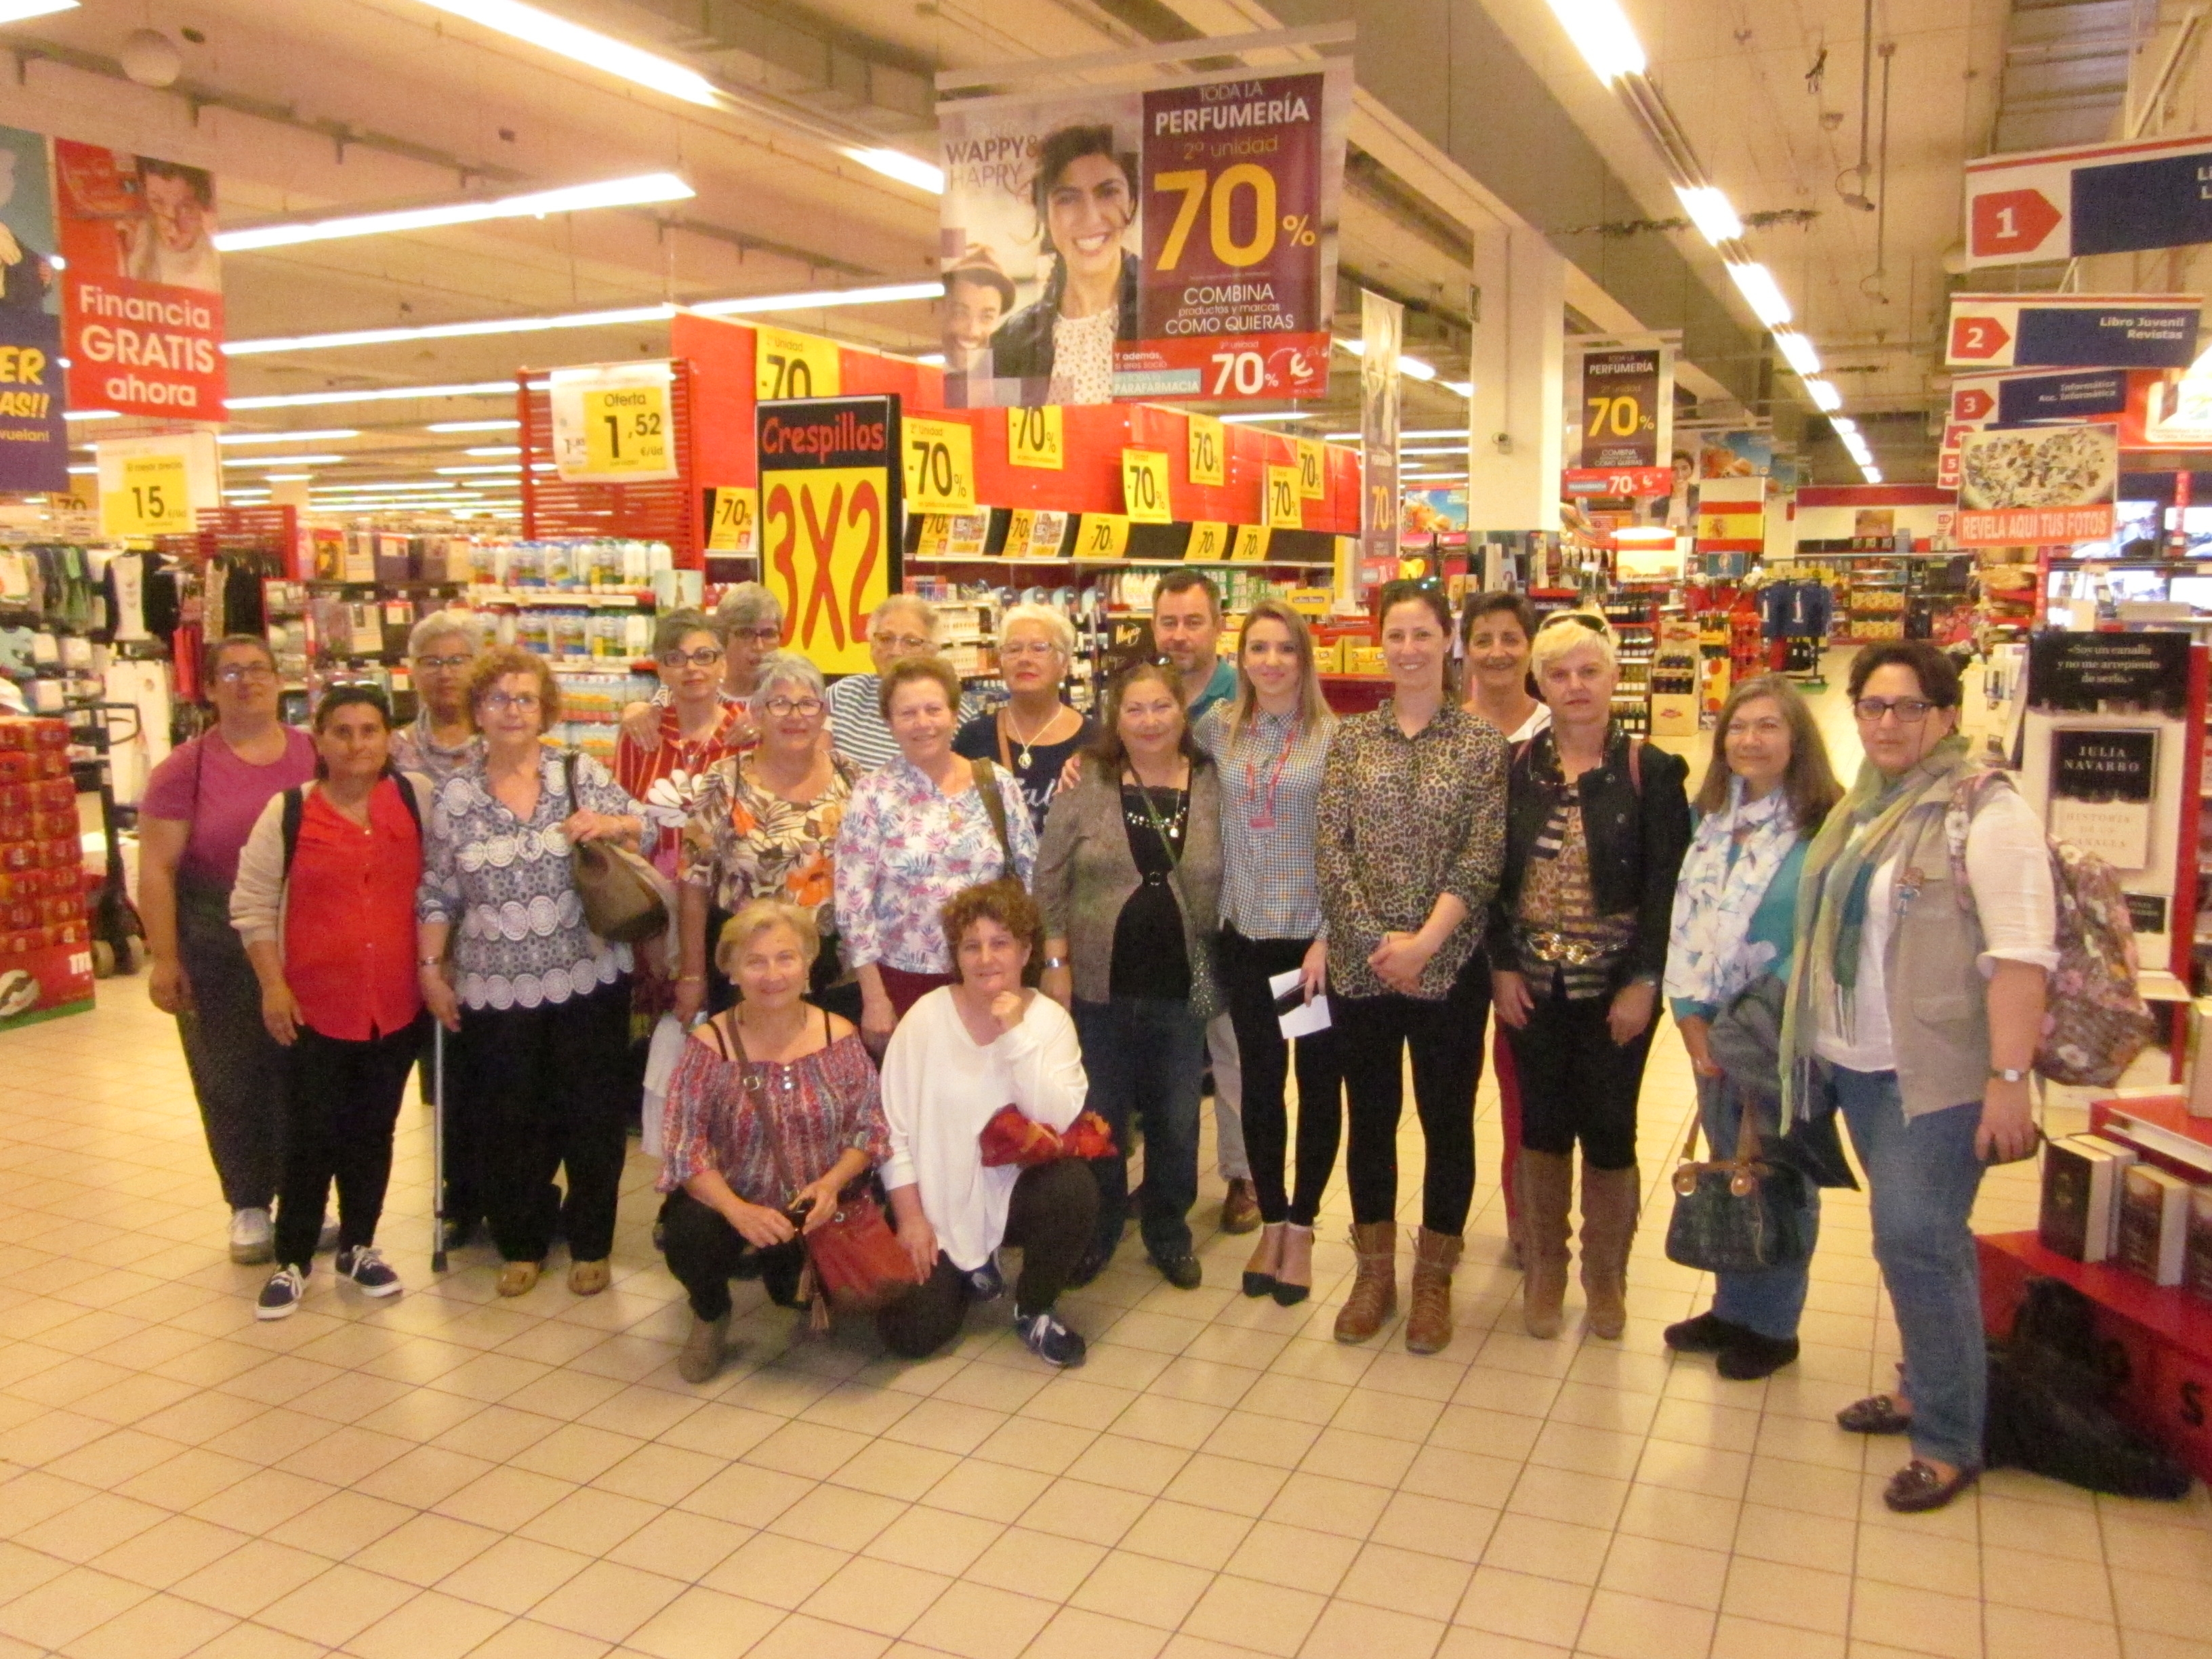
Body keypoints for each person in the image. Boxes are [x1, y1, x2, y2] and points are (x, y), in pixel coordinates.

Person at [1780, 641, 2052, 1514]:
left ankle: (1948, 1438)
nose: (1887, 723)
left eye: (1907, 707)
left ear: (1945, 716)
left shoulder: (1987, 811)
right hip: (1860, 1065)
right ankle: (1917, 1387)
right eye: (1873, 706)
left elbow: (2021, 958)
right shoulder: (1866, 807)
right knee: (1906, 1242)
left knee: (1921, 1240)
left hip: (1936, 1074)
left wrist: (2010, 1078)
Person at [415, 647, 647, 1299]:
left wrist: (610, 822)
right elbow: (437, 890)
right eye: (498, 699)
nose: (512, 711)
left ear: (546, 709)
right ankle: (521, 1240)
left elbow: (648, 827)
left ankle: (592, 1242)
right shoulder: (456, 797)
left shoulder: (577, 771)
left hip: (588, 974)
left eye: (525, 699)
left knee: (591, 1112)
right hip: (493, 985)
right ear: (478, 712)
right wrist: (432, 968)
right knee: (509, 1118)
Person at [1316, 581, 1507, 1355]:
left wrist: (1426, 943)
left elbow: (1484, 853)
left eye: (1423, 634)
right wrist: (1372, 943)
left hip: (1449, 967)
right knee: (1371, 1118)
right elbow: (1330, 850)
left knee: (1447, 1120)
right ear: (1381, 642)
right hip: (1364, 971)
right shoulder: (1350, 740)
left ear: (1446, 640)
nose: (1408, 649)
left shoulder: (1480, 744)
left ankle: (1434, 1277)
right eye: (1396, 635)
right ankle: (1374, 1274)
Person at [1490, 614, 1692, 1343]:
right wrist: (1502, 964)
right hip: (1532, 985)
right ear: (1539, 683)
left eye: (1589, 672)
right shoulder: (1511, 770)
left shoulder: (1652, 772)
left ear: (1613, 679)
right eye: (1560, 674)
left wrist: (1646, 980)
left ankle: (1606, 1274)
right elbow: (1488, 879)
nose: (1575, 686)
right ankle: (1546, 1267)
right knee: (1541, 1127)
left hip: (1616, 990)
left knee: (1610, 1128)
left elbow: (1668, 886)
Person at [230, 689, 432, 1319]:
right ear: (317, 739)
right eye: (341, 731)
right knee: (311, 1133)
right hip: (313, 1006)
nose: (357, 744)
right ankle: (293, 1257)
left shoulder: (414, 799)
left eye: (370, 730)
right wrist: (272, 985)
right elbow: (252, 905)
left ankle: (359, 1245)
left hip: (396, 1004)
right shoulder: (288, 812)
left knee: (374, 1129)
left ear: (389, 738)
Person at [1662, 676, 1843, 1380]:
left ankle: (1775, 1325)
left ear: (1797, 739)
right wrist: (1689, 1014)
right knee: (1729, 1160)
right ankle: (1734, 1305)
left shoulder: (1825, 825)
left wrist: (1763, 1011)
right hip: (1709, 1019)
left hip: (1780, 1027)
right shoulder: (1710, 818)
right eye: (1738, 727)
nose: (1751, 740)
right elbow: (1687, 919)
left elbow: (1829, 929)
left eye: (1768, 726)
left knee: (1779, 1168)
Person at [1037, 661, 1222, 1290]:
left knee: (1176, 1118)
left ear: (1182, 713)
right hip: (1098, 984)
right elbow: (1049, 875)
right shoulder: (1088, 779)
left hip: (1182, 985)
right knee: (1102, 1115)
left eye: (1161, 708)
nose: (1149, 722)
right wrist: (1055, 959)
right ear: (1116, 719)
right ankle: (1101, 1227)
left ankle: (1169, 1231)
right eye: (1134, 710)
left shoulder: (1211, 781)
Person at [139, 635, 318, 1265]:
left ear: (280, 680)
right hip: (217, 938)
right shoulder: (184, 769)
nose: (247, 682)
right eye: (231, 673)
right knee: (231, 1072)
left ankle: (306, 1197)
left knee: (305, 1072)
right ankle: (248, 1202)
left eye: (259, 670)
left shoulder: (315, 752)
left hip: (307, 933)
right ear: (209, 688)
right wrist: (165, 958)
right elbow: (157, 869)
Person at [657, 901, 888, 1384]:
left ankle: (793, 1280)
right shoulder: (708, 1045)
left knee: (828, 1303)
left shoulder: (838, 1036)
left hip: (814, 1211)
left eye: (785, 958)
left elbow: (871, 1126)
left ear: (807, 965)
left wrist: (830, 1186)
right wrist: (736, 1210)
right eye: (755, 961)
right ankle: (710, 1312)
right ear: (732, 971)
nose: (772, 974)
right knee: (688, 1230)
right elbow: (685, 1145)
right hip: (734, 1208)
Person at [876, 879, 1097, 1366]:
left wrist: (1015, 1034)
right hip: (937, 1204)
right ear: (956, 956)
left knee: (1074, 1187)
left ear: (1025, 951)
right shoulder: (925, 1019)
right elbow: (889, 1131)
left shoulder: (1049, 1022)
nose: (986, 958)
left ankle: (1034, 1307)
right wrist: (910, 1219)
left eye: (1000, 944)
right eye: (971, 946)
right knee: (912, 1336)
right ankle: (973, 1265)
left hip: (1017, 1193)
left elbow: (1057, 1116)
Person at [1195, 600, 1338, 1307]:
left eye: (1285, 649)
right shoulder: (1218, 732)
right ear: (1241, 657)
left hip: (1303, 947)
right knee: (1258, 1083)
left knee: (1313, 1087)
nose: (1272, 662)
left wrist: (1328, 939)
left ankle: (1304, 1229)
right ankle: (1272, 1218)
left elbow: (1351, 848)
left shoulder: (1333, 739)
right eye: (1259, 649)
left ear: (1304, 658)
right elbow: (1149, 764)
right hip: (1243, 941)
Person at [835, 657, 1036, 1050]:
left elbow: (1028, 879)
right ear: (890, 723)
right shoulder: (872, 794)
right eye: (907, 713)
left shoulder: (996, 784)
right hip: (904, 980)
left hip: (988, 973)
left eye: (933, 709)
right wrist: (875, 997)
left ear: (954, 714)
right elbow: (852, 901)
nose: (923, 723)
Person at [677, 652, 859, 1022]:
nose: (795, 716)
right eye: (780, 704)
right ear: (757, 714)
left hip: (830, 964)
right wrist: (692, 973)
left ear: (823, 714)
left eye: (807, 704)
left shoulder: (849, 775)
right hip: (747, 965)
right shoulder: (725, 779)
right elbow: (693, 883)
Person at [1153, 569, 1252, 1233]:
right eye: (1169, 622)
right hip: (1158, 906)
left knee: (1233, 1046)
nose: (1180, 635)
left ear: (1220, 625)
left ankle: (1245, 1179)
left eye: (1193, 621)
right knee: (1167, 1049)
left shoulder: (1245, 700)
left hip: (1228, 904)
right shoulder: (1142, 696)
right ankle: (1166, 1181)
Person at [1458, 592, 1550, 1266]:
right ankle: (1448, 1221)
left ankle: (1532, 1222)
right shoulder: (1447, 733)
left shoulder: (1559, 729)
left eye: (1509, 638)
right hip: (1456, 939)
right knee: (1457, 1088)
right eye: (1483, 638)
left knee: (1528, 1087)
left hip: (1539, 945)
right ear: (1465, 647)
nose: (1497, 652)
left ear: (1530, 646)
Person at [991, 125, 1139, 403]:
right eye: (1068, 199)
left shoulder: (1167, 321)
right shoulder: (1010, 343)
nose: (1091, 217)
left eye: (1107, 193)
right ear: (1045, 214)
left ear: (1131, 202)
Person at [616, 609, 750, 880]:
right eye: (676, 658)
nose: (691, 668)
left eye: (703, 656)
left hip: (729, 897)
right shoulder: (642, 733)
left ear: (722, 664)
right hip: (652, 898)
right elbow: (618, 817)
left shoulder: (747, 734)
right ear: (661, 670)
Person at [955, 602, 1092, 833]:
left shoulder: (1095, 741)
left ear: (1064, 664)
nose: (1024, 658)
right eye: (1013, 649)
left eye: (1039, 648)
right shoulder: (973, 738)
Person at [617, 580, 785, 754]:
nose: (758, 646)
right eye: (745, 633)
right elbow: (648, 716)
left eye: (768, 634)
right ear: (722, 638)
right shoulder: (692, 682)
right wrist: (636, 712)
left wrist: (775, 727)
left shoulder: (787, 690)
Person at [825, 594, 980, 773]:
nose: (896, 651)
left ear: (933, 650)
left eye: (911, 642)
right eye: (886, 639)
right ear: (872, 644)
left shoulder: (958, 714)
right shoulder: (843, 695)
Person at [390, 611, 484, 785]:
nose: (445, 674)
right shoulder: (394, 751)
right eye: (432, 662)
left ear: (478, 666)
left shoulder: (503, 740)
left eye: (457, 661)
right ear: (414, 673)